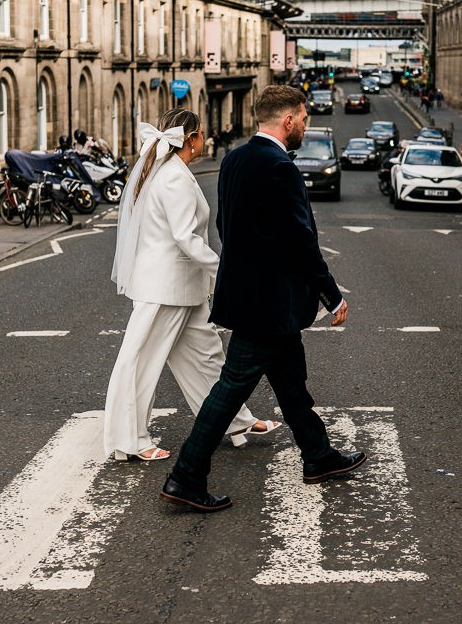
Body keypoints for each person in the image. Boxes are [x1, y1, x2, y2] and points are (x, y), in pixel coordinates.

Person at [161, 85, 363, 514]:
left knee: (290, 383)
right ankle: (186, 476)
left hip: (252, 298)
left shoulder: (234, 159)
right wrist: (331, 295)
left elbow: (226, 226)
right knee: (230, 389)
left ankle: (318, 455)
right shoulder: (280, 167)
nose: (305, 124)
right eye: (303, 117)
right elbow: (301, 241)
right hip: (270, 304)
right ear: (288, 120)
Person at [106, 109, 279, 462]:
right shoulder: (173, 178)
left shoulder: (171, 172)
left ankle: (235, 421)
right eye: (202, 134)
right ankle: (132, 440)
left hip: (184, 287)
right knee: (142, 363)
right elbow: (187, 238)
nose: (205, 140)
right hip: (165, 289)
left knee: (207, 357)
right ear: (191, 139)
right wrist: (227, 272)